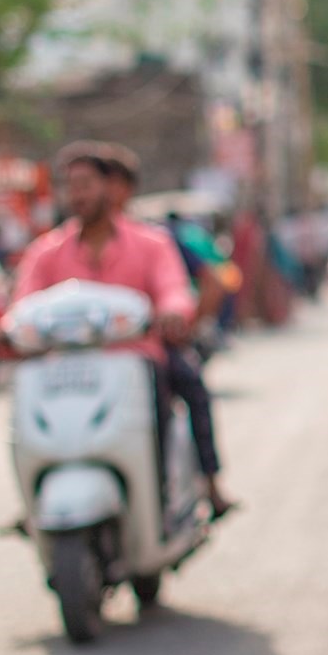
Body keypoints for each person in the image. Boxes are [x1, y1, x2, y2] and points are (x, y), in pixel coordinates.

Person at [12, 142, 235, 518]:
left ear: (112, 187)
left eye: (87, 184)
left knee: (189, 387)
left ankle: (191, 488)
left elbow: (177, 288)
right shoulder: (46, 252)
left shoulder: (153, 242)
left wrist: (176, 315)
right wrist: (7, 329)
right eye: (71, 186)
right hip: (65, 368)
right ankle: (31, 502)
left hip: (137, 359)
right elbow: (22, 305)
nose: (79, 195)